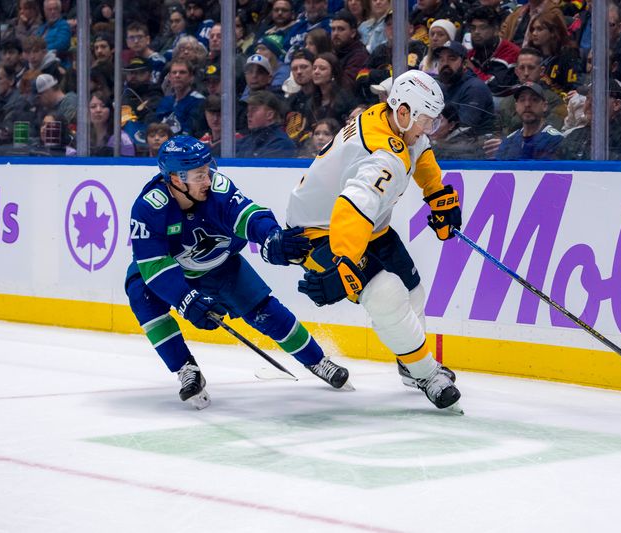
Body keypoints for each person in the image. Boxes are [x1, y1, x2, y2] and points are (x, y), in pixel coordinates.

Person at [125, 135, 350, 409]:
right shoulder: (149, 207)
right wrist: (185, 299)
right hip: (175, 273)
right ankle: (186, 369)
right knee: (141, 292)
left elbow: (248, 214)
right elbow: (154, 264)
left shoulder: (218, 188)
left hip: (221, 265)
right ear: (175, 179)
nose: (207, 180)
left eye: (207, 171)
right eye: (199, 176)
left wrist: (271, 236)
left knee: (267, 313)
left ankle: (317, 360)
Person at [286, 70, 463, 412]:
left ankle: (410, 367)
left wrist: (438, 193)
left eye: (433, 120)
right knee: (385, 294)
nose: (429, 129)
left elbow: (421, 153)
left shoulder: (395, 122)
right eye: (425, 120)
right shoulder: (383, 156)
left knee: (412, 291)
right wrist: (346, 264)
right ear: (403, 111)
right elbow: (350, 209)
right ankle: (427, 374)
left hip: (368, 225)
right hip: (319, 232)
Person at [555, 79, 621, 161]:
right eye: (588, 98)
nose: (589, 103)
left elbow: (615, 171)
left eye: (598, 99)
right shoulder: (576, 134)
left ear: (616, 104)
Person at [490, 81, 564, 160]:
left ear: (544, 106)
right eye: (522, 100)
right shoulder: (509, 141)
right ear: (516, 106)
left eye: (534, 100)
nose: (527, 104)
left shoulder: (555, 140)